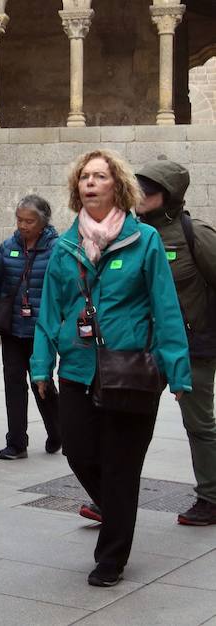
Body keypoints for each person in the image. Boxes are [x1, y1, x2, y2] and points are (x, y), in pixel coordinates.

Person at [30, 149, 191, 587]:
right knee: (79, 452)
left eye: (99, 176)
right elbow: (49, 310)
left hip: (132, 370)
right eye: (84, 176)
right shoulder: (65, 246)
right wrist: (41, 365)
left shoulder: (144, 241)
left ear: (116, 185)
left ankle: (112, 557)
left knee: (122, 465)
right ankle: (119, 508)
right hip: (79, 369)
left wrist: (176, 370)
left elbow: (166, 308)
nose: (90, 182)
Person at [136, 159, 216, 526]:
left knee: (199, 425)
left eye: (149, 189)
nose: (140, 194)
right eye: (138, 186)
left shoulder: (193, 234)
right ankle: (114, 499)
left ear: (169, 195)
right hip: (143, 349)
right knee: (130, 422)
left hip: (192, 347)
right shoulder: (131, 234)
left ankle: (211, 498)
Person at [0, 195, 61, 460]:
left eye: (30, 221)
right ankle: (16, 442)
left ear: (43, 222)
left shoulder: (57, 249)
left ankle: (58, 431)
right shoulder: (7, 248)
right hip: (13, 328)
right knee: (13, 384)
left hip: (42, 331)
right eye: (20, 220)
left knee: (43, 382)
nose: (24, 226)